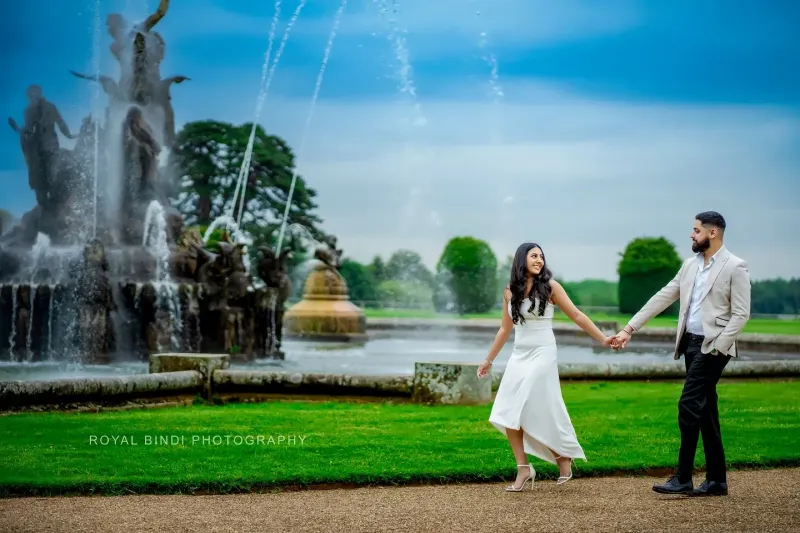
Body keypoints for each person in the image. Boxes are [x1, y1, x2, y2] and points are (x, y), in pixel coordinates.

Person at [611, 211, 751, 497]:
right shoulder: (690, 266)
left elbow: (741, 313)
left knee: (688, 404)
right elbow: (662, 296)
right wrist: (629, 328)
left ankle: (683, 476)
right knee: (705, 410)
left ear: (713, 233)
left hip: (713, 346)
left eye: (696, 230)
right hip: (690, 343)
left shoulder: (735, 267)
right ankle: (716, 481)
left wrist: (719, 346)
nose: (692, 234)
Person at [477, 242, 616, 491]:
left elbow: (577, 315)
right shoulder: (510, 290)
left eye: (541, 256)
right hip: (519, 354)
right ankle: (523, 469)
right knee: (508, 409)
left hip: (543, 352)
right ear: (522, 259)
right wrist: (488, 360)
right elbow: (505, 328)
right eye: (533, 256)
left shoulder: (551, 287)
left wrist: (603, 338)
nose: (539, 260)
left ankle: (562, 455)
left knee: (532, 405)